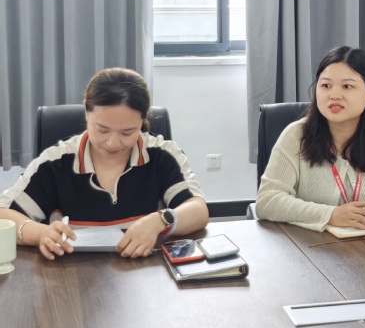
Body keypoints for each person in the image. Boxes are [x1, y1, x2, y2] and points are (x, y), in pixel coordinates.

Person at [0, 68, 209, 260]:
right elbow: (4, 215)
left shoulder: (162, 154)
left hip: (143, 270)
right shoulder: (55, 162)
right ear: (86, 111)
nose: (112, 143)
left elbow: (198, 211)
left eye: (127, 132)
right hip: (72, 273)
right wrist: (40, 233)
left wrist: (161, 221)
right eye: (102, 129)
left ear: (143, 120)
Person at [256, 46, 365, 231]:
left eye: (347, 86)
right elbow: (267, 200)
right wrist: (330, 215)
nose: (334, 95)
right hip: (310, 244)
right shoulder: (296, 135)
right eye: (326, 86)